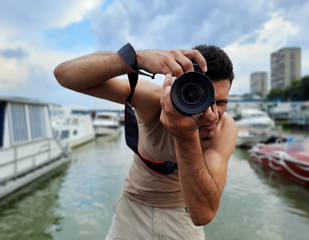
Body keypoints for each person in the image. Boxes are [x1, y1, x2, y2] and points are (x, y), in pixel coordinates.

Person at [54, 43, 238, 240]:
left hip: (183, 213)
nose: (212, 114)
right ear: (177, 89)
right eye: (199, 98)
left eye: (221, 102)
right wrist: (137, 59)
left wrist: (186, 136)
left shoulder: (224, 129)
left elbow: (203, 214)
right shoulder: (152, 99)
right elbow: (64, 75)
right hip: (134, 206)